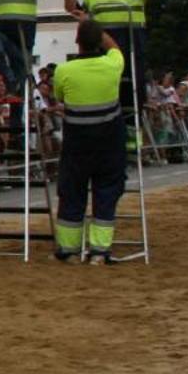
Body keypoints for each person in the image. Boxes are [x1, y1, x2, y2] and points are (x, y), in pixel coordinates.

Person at [65, 0, 166, 141]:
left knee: (133, 93)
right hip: (103, 46)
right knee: (107, 92)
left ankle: (131, 136)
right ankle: (109, 135)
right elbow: (71, 8)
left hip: (132, 44)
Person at [51, 21, 129, 264]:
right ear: (99, 40)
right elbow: (115, 48)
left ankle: (69, 249)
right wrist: (95, 25)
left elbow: (59, 97)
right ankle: (99, 251)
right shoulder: (113, 64)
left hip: (77, 143)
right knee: (107, 192)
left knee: (72, 191)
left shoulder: (64, 70)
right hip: (109, 143)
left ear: (77, 41)